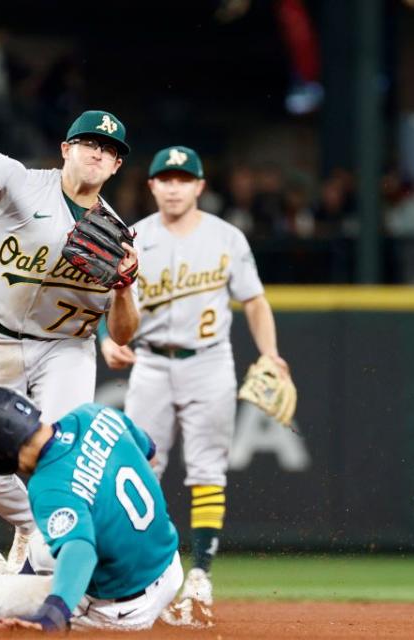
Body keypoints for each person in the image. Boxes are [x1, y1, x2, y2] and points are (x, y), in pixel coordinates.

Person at [0, 110, 140, 577]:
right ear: (66, 150)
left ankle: (46, 562)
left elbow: (121, 333)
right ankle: (42, 532)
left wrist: (124, 288)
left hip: (66, 350)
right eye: (89, 143)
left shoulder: (119, 237)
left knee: (62, 462)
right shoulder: (20, 185)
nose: (99, 152)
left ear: (117, 167)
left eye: (111, 150)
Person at [100, 146, 294, 624]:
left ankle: (201, 573)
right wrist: (105, 339)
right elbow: (104, 299)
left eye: (183, 179)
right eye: (164, 178)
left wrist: (270, 353)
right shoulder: (134, 237)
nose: (173, 186)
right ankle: (153, 571)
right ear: (151, 186)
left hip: (208, 362)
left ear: (200, 187)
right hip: (150, 362)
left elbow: (254, 301)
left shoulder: (227, 238)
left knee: (208, 470)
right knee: (141, 469)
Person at [0, 387, 182, 631]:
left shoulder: (47, 487)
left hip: (122, 611)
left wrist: (52, 617)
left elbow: (81, 550)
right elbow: (150, 455)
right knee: (41, 543)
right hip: (169, 567)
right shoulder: (93, 414)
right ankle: (21, 576)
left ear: (0, 453)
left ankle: (2, 579)